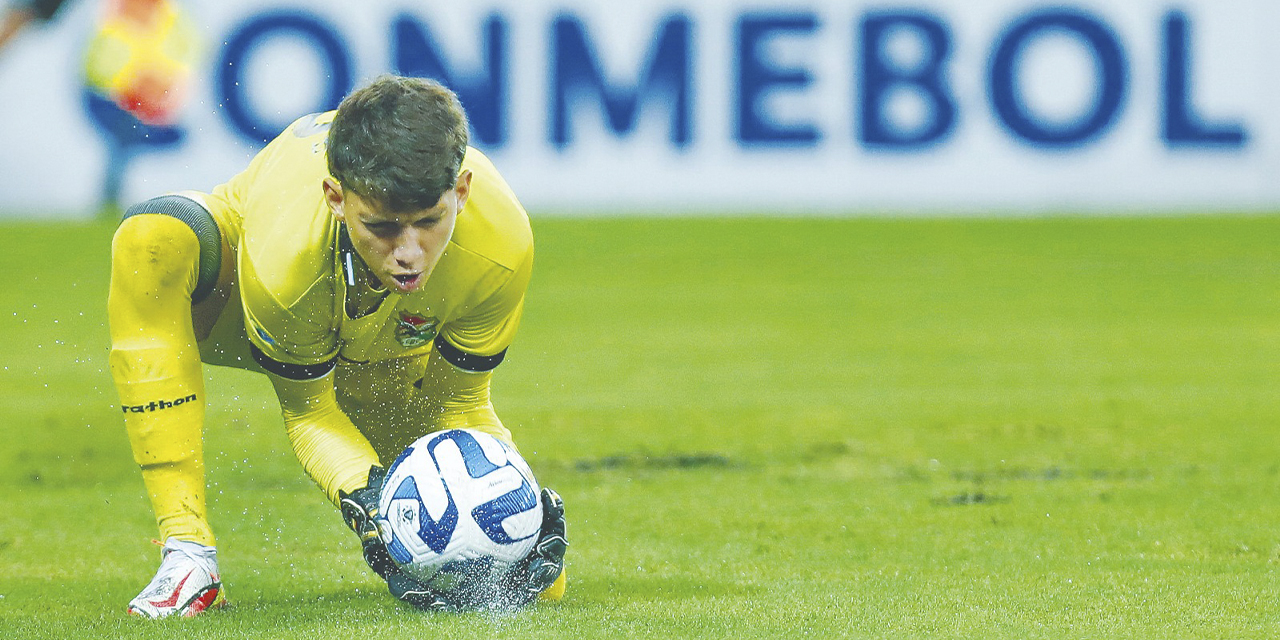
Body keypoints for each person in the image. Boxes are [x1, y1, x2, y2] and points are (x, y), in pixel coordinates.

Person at [108, 75, 568, 618]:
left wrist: (515, 501)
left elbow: (460, 404)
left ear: (461, 192)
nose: (409, 254)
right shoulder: (287, 260)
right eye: (382, 226)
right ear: (335, 198)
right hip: (248, 306)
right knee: (153, 239)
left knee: (529, 581)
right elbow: (310, 412)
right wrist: (364, 497)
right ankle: (188, 555)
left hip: (389, 358)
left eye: (429, 221)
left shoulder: (502, 243)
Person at [82, 0, 199, 218]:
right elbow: (97, 67)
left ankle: (160, 196)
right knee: (125, 134)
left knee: (172, 136)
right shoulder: (114, 20)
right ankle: (111, 198)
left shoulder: (173, 20)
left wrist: (163, 90)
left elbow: (186, 60)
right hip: (114, 98)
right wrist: (132, 86)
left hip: (156, 100)